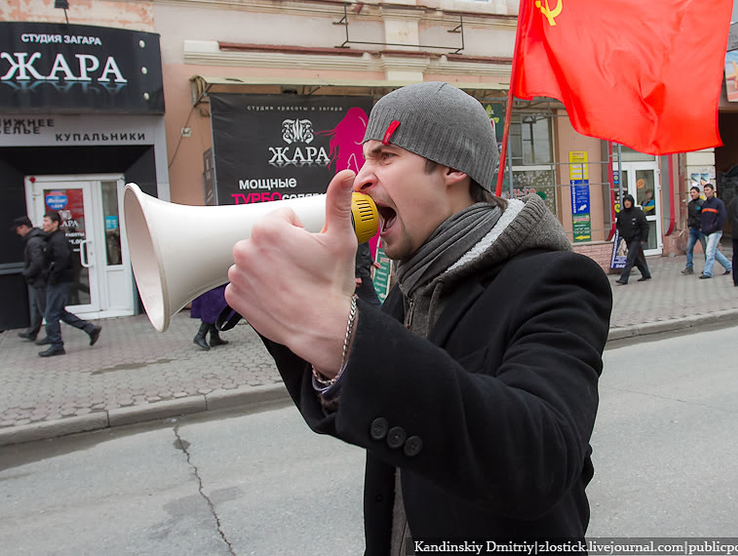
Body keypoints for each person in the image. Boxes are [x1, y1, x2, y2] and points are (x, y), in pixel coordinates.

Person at [225, 82, 612, 552]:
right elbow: (362, 415)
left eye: (385, 156)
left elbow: (540, 458)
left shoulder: (556, 281)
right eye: (364, 157)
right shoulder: (411, 288)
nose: (362, 177)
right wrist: (292, 318)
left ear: (452, 167)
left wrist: (343, 336)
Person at [38, 211, 102, 357]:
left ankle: (56, 345)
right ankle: (90, 329)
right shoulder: (52, 238)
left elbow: (62, 260)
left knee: (51, 314)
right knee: (59, 312)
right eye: (43, 221)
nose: (44, 224)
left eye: (46, 221)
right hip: (57, 280)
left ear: (55, 223)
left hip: (59, 281)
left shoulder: (58, 240)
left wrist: (52, 276)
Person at [11, 216, 47, 341]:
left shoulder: (33, 241)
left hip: (40, 279)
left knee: (44, 308)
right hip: (39, 278)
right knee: (37, 306)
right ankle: (32, 332)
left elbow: (37, 262)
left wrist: (27, 272)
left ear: (24, 227)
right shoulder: (34, 239)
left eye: (18, 229)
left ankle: (53, 335)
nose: (17, 233)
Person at [615, 194, 651, 285]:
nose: (627, 203)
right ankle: (646, 274)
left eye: (629, 201)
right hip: (627, 238)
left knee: (630, 258)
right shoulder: (621, 213)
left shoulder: (638, 213)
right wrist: (622, 233)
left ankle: (624, 279)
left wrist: (644, 238)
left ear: (632, 202)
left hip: (636, 238)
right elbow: (618, 225)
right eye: (625, 201)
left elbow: (645, 226)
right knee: (637, 258)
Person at [699, 183, 732, 279]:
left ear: (713, 191)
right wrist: (703, 227)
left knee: (709, 252)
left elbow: (722, 217)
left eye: (708, 190)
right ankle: (729, 266)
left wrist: (713, 227)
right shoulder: (705, 204)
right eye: (705, 190)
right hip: (706, 231)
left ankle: (708, 272)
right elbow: (703, 218)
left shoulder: (718, 203)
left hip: (715, 231)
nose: (706, 192)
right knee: (714, 252)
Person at [190, 284, 230, 350]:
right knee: (213, 307)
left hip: (215, 283)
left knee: (217, 307)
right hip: (210, 283)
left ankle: (214, 337)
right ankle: (200, 335)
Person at [681, 186, 706, 275]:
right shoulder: (690, 204)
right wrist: (689, 226)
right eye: (691, 192)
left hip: (701, 230)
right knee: (689, 248)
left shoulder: (702, 203)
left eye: (694, 192)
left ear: (698, 193)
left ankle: (707, 268)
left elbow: (704, 216)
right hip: (693, 229)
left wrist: (703, 226)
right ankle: (689, 267)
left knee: (706, 249)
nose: (692, 194)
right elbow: (690, 216)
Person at [355, 241, 381, 307]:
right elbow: (354, 250)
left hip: (362, 270)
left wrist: (371, 261)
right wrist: (357, 275)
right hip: (361, 272)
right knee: (373, 303)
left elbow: (364, 247)